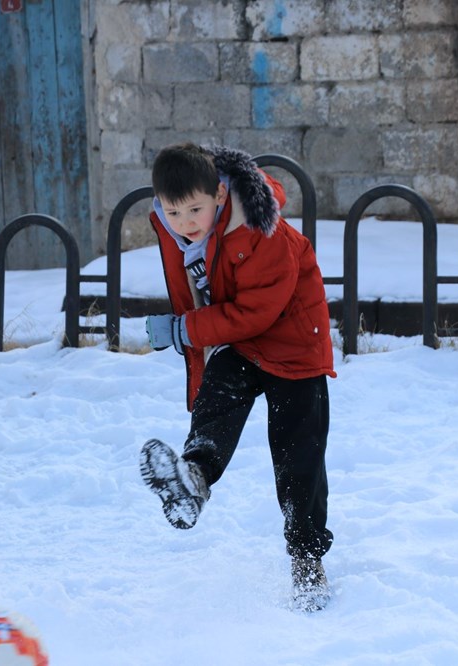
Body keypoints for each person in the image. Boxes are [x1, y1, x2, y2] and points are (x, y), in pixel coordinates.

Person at [138, 142, 336, 611]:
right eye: (173, 211)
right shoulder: (179, 233)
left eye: (195, 210)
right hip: (243, 343)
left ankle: (307, 561)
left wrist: (185, 330)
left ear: (221, 194)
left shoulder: (261, 230)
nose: (185, 222)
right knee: (217, 402)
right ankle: (194, 476)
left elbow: (256, 311)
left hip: (294, 347)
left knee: (298, 459)